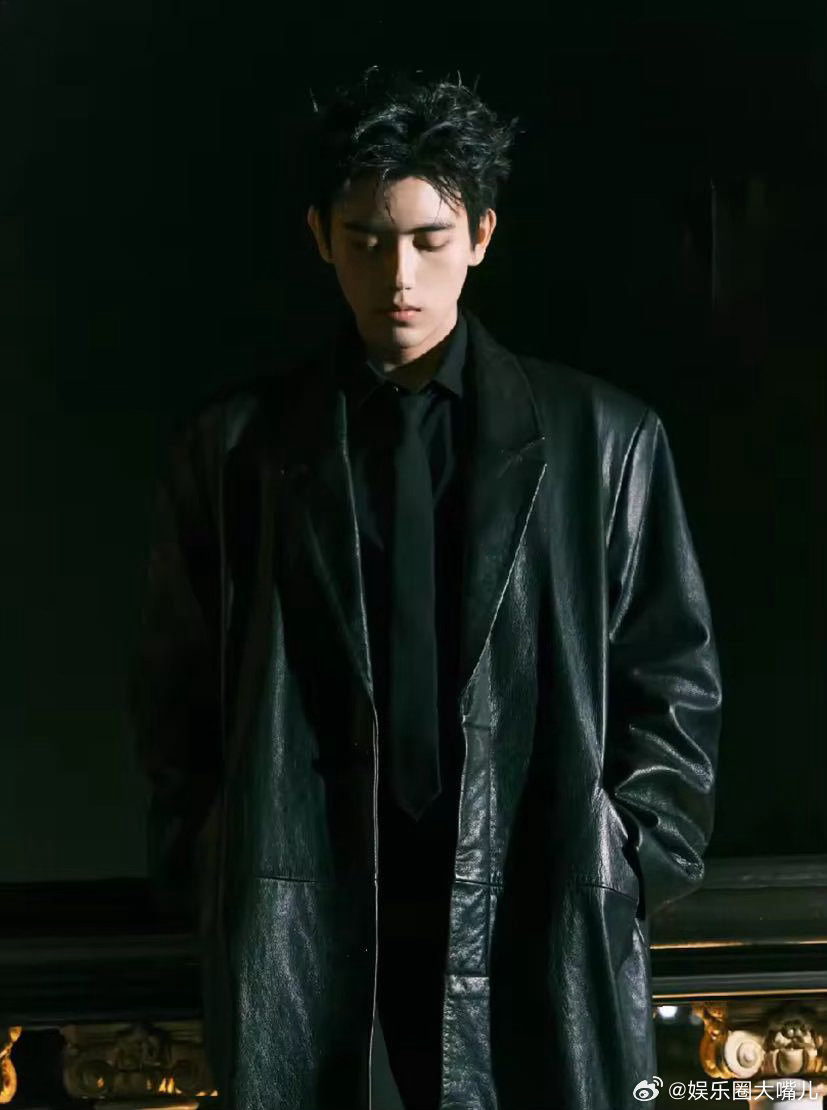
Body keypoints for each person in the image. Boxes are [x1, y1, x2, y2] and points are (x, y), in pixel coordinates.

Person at [130, 65, 722, 1110]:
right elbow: (173, 687)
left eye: (426, 240)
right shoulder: (234, 451)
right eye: (364, 240)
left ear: (480, 236)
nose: (396, 274)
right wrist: (211, 856)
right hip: (304, 913)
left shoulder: (603, 441)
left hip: (531, 897)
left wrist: (628, 856)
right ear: (320, 238)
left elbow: (671, 676)